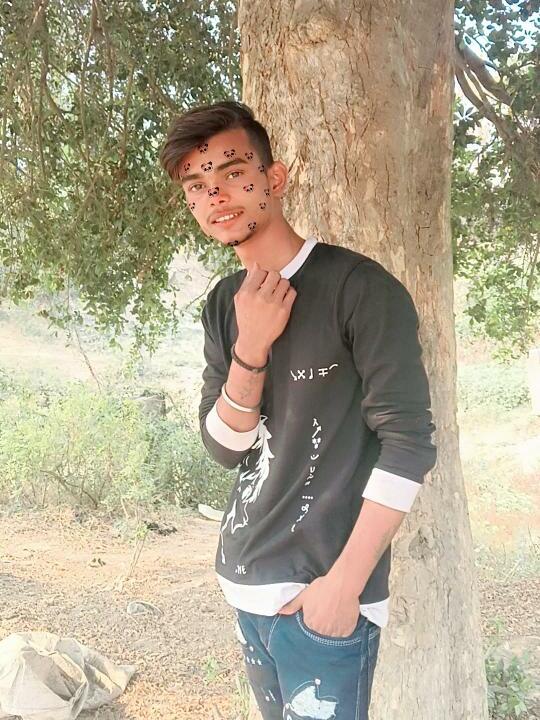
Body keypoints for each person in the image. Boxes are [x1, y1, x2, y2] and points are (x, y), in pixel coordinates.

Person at [159, 100, 437, 720]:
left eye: (233, 172)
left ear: (275, 178)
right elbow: (225, 448)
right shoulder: (223, 304)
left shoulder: (359, 289)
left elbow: (410, 442)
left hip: (323, 600)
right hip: (244, 586)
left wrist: (344, 587)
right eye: (196, 185)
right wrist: (252, 346)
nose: (215, 194)